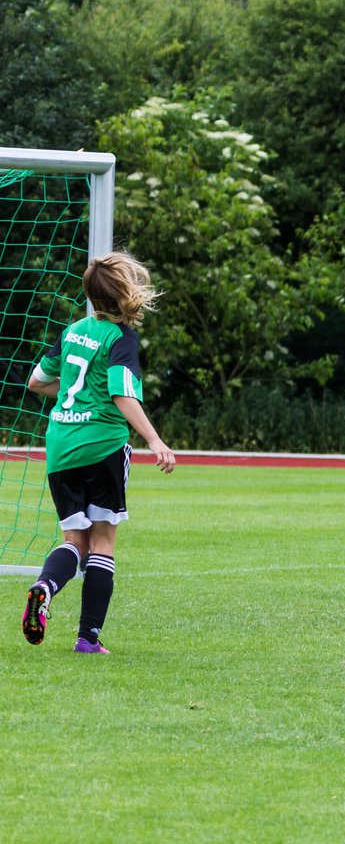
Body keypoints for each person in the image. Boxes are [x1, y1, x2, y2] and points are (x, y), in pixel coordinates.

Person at [21, 252, 177, 654]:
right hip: (102, 446)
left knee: (74, 539)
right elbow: (122, 393)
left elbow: (37, 383)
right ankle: (88, 639)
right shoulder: (120, 337)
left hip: (60, 446)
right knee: (103, 542)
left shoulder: (73, 330)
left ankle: (44, 586)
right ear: (126, 293)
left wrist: (78, 400)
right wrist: (156, 440)